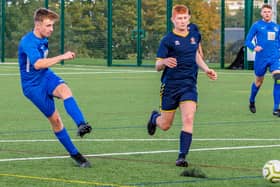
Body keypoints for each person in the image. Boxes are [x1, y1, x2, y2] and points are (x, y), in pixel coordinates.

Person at [18, 8, 92, 167]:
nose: (51, 29)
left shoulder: (43, 38)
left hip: (46, 76)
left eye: (52, 26)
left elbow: (41, 67)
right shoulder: (27, 42)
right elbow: (37, 64)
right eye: (48, 25)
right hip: (32, 87)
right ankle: (75, 154)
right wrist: (62, 56)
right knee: (56, 120)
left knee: (65, 90)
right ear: (37, 25)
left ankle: (81, 124)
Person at [147, 4, 217, 167]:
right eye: (179, 18)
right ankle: (154, 118)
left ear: (189, 19)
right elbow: (157, 65)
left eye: (185, 18)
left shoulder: (194, 35)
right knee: (165, 125)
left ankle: (182, 156)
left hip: (189, 85)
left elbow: (195, 55)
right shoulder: (168, 40)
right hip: (170, 87)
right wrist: (164, 62)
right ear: (173, 20)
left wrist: (206, 69)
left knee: (188, 118)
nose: (182, 21)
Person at [245, 4, 280, 116]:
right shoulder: (257, 25)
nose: (267, 14)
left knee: (278, 79)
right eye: (264, 12)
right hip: (261, 58)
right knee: (258, 82)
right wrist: (254, 47)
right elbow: (247, 41)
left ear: (272, 13)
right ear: (261, 13)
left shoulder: (277, 27)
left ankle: (276, 108)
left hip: (274, 58)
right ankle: (252, 100)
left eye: (269, 12)